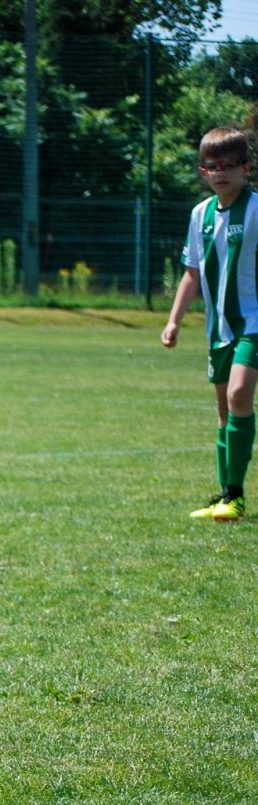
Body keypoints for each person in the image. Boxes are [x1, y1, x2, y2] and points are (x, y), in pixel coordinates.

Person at [163, 124, 258, 522]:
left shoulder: (256, 208)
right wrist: (174, 322)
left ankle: (234, 497)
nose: (220, 172)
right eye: (211, 166)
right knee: (224, 412)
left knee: (239, 396)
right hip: (218, 327)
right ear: (203, 171)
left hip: (254, 320)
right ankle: (226, 495)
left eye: (229, 165)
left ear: (246, 168)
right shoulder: (199, 215)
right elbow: (191, 273)